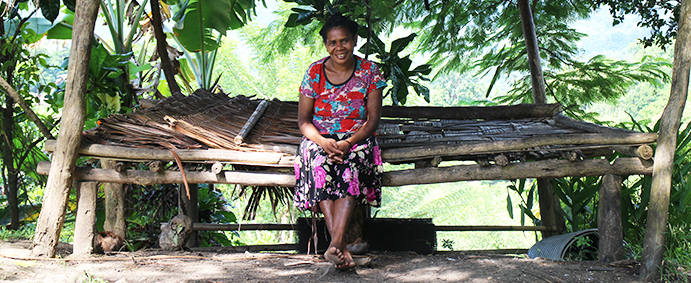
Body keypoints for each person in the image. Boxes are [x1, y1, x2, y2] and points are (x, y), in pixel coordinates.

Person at [293, 13, 386, 270]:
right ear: (326, 44)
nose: (339, 47)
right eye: (333, 42)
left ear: (355, 40)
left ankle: (334, 244)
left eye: (344, 41)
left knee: (351, 165)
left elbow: (372, 121)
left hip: (357, 138)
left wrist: (347, 143)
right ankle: (340, 247)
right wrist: (323, 142)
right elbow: (304, 122)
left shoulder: (370, 72)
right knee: (318, 162)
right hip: (320, 139)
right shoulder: (314, 72)